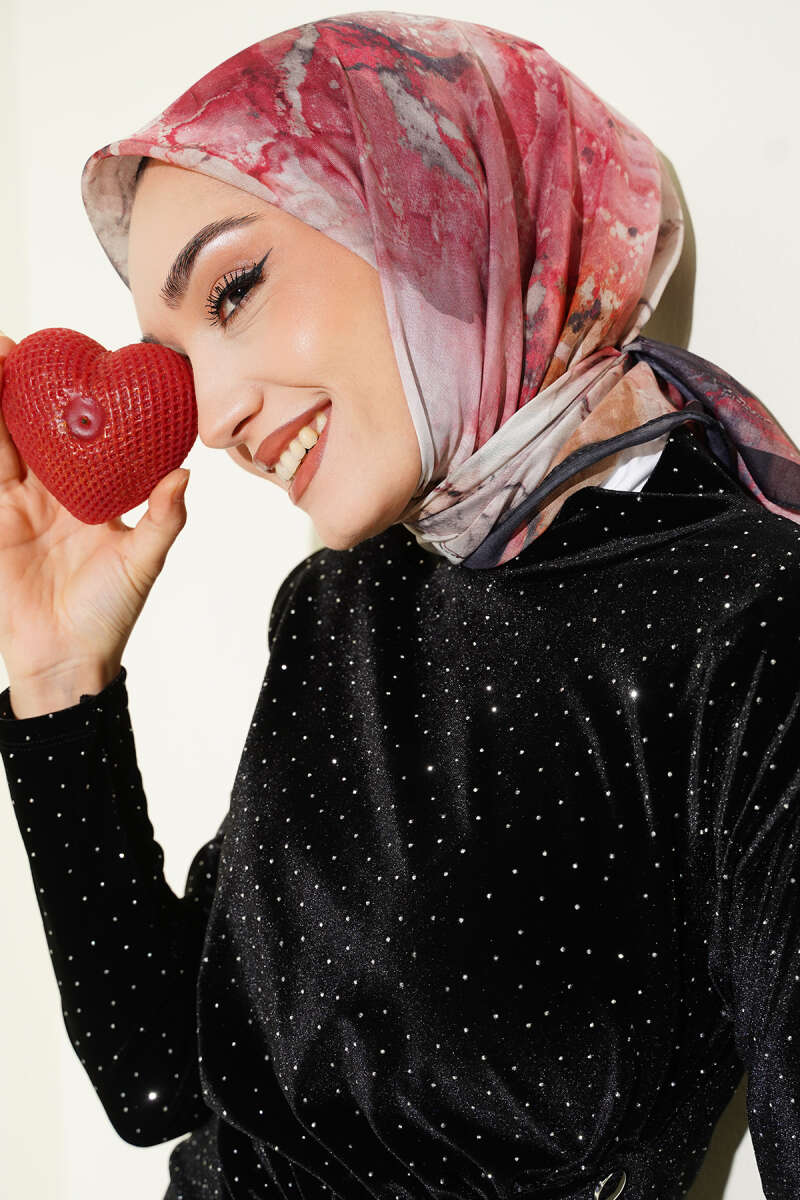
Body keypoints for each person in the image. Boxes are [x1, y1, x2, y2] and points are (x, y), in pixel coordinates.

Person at [1, 11, 800, 1200]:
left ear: (432, 209)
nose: (210, 417)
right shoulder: (340, 601)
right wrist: (60, 679)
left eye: (234, 289)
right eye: (174, 359)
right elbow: (161, 1076)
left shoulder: (743, 612)